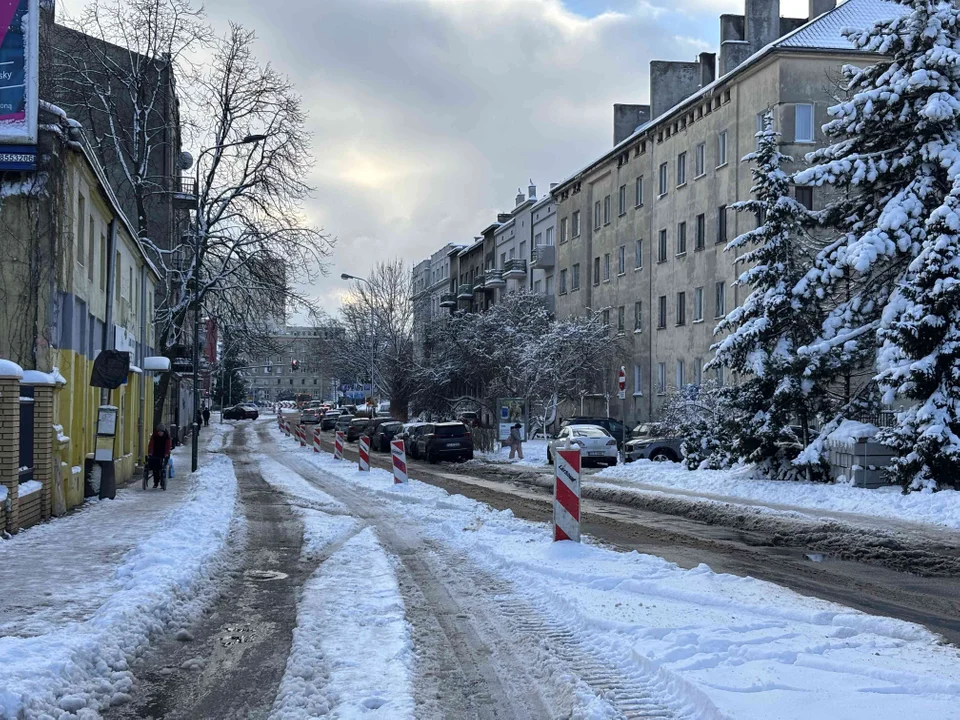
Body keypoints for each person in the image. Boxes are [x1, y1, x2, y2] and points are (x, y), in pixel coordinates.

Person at [147, 424, 172, 489]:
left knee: (162, 468)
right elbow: (151, 444)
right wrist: (150, 452)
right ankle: (156, 482)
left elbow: (168, 446)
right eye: (159, 432)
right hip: (155, 453)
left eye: (161, 432)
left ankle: (162, 483)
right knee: (155, 469)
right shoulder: (154, 436)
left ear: (163, 432)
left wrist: (166, 453)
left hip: (163, 454)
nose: (160, 433)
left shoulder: (166, 437)